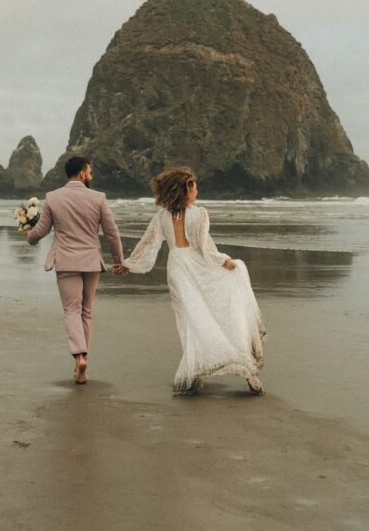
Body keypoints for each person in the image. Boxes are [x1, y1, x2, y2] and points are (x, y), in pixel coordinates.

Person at [119, 167, 265, 394]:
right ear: (185, 190)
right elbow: (204, 246)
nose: (197, 191)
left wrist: (129, 264)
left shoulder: (161, 217)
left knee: (189, 319)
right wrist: (223, 260)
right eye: (194, 187)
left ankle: (199, 371)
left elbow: (148, 245)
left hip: (177, 267)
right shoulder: (199, 214)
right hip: (194, 267)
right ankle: (222, 368)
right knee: (204, 316)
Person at [26, 155, 125, 384]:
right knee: (86, 312)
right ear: (81, 173)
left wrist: (28, 236)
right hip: (91, 261)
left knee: (72, 310)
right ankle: (82, 363)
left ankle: (79, 356)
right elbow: (112, 232)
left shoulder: (53, 197)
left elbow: (40, 231)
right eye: (90, 171)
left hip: (66, 261)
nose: (91, 176)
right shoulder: (99, 198)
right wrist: (119, 260)